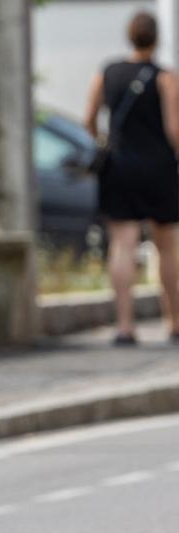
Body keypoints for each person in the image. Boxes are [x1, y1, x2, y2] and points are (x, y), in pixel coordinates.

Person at [83, 11, 179, 345]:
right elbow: (174, 130)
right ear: (156, 38)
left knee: (123, 245)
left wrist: (101, 140)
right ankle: (173, 322)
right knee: (166, 248)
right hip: (158, 169)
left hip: (119, 168)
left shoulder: (107, 72)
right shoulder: (165, 78)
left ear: (129, 36)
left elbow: (89, 118)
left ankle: (125, 327)